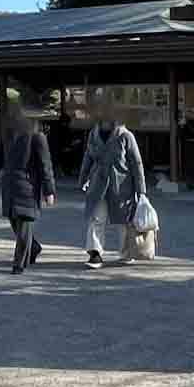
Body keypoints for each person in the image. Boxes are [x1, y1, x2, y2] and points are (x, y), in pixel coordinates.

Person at [0, 105, 55, 274]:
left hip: (28, 187)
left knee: (24, 226)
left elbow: (46, 166)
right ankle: (34, 247)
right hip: (10, 186)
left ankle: (18, 264)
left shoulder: (38, 136)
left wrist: (49, 190)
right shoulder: (7, 134)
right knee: (16, 223)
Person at [76, 107, 146, 269]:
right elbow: (88, 157)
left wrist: (141, 191)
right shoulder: (94, 134)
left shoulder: (125, 135)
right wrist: (83, 179)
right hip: (98, 183)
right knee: (97, 218)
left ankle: (125, 252)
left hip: (121, 184)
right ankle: (95, 253)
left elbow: (136, 163)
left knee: (123, 220)